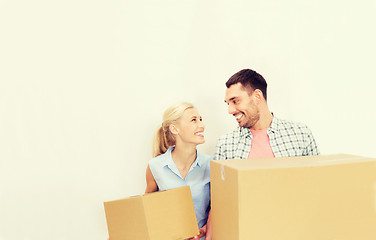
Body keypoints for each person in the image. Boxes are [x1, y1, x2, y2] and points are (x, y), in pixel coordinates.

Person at [215, 69, 319, 160]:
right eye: (228, 103)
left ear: (257, 96)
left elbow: (317, 177)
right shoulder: (226, 144)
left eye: (235, 101)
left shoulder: (300, 134)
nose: (230, 110)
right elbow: (221, 183)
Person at [146, 102, 212, 240]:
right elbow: (148, 210)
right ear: (175, 129)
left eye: (200, 119)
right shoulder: (155, 167)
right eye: (194, 120)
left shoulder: (212, 165)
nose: (202, 125)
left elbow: (219, 209)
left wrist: (205, 230)